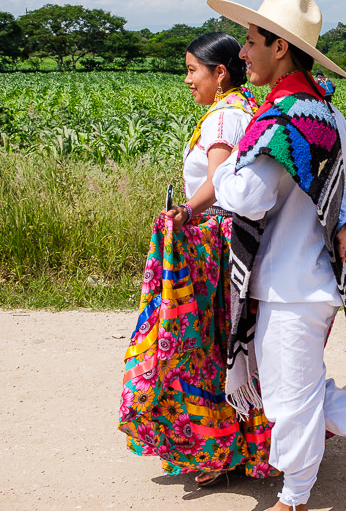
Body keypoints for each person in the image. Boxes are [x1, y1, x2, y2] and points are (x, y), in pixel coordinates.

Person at [207, 0, 346, 511]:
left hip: (290, 283)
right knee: (303, 389)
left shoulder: (284, 122)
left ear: (280, 47)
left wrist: (222, 164)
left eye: (251, 41)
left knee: (289, 403)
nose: (243, 52)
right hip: (310, 280)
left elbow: (247, 199)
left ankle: (291, 506)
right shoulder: (327, 115)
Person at [118, 32, 278, 486]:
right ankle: (237, 444)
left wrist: (186, 212)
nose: (188, 80)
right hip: (235, 242)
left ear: (219, 72)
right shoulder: (243, 107)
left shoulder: (223, 117)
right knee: (227, 345)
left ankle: (216, 448)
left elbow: (218, 181)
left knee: (203, 346)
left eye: (193, 70)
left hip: (216, 247)